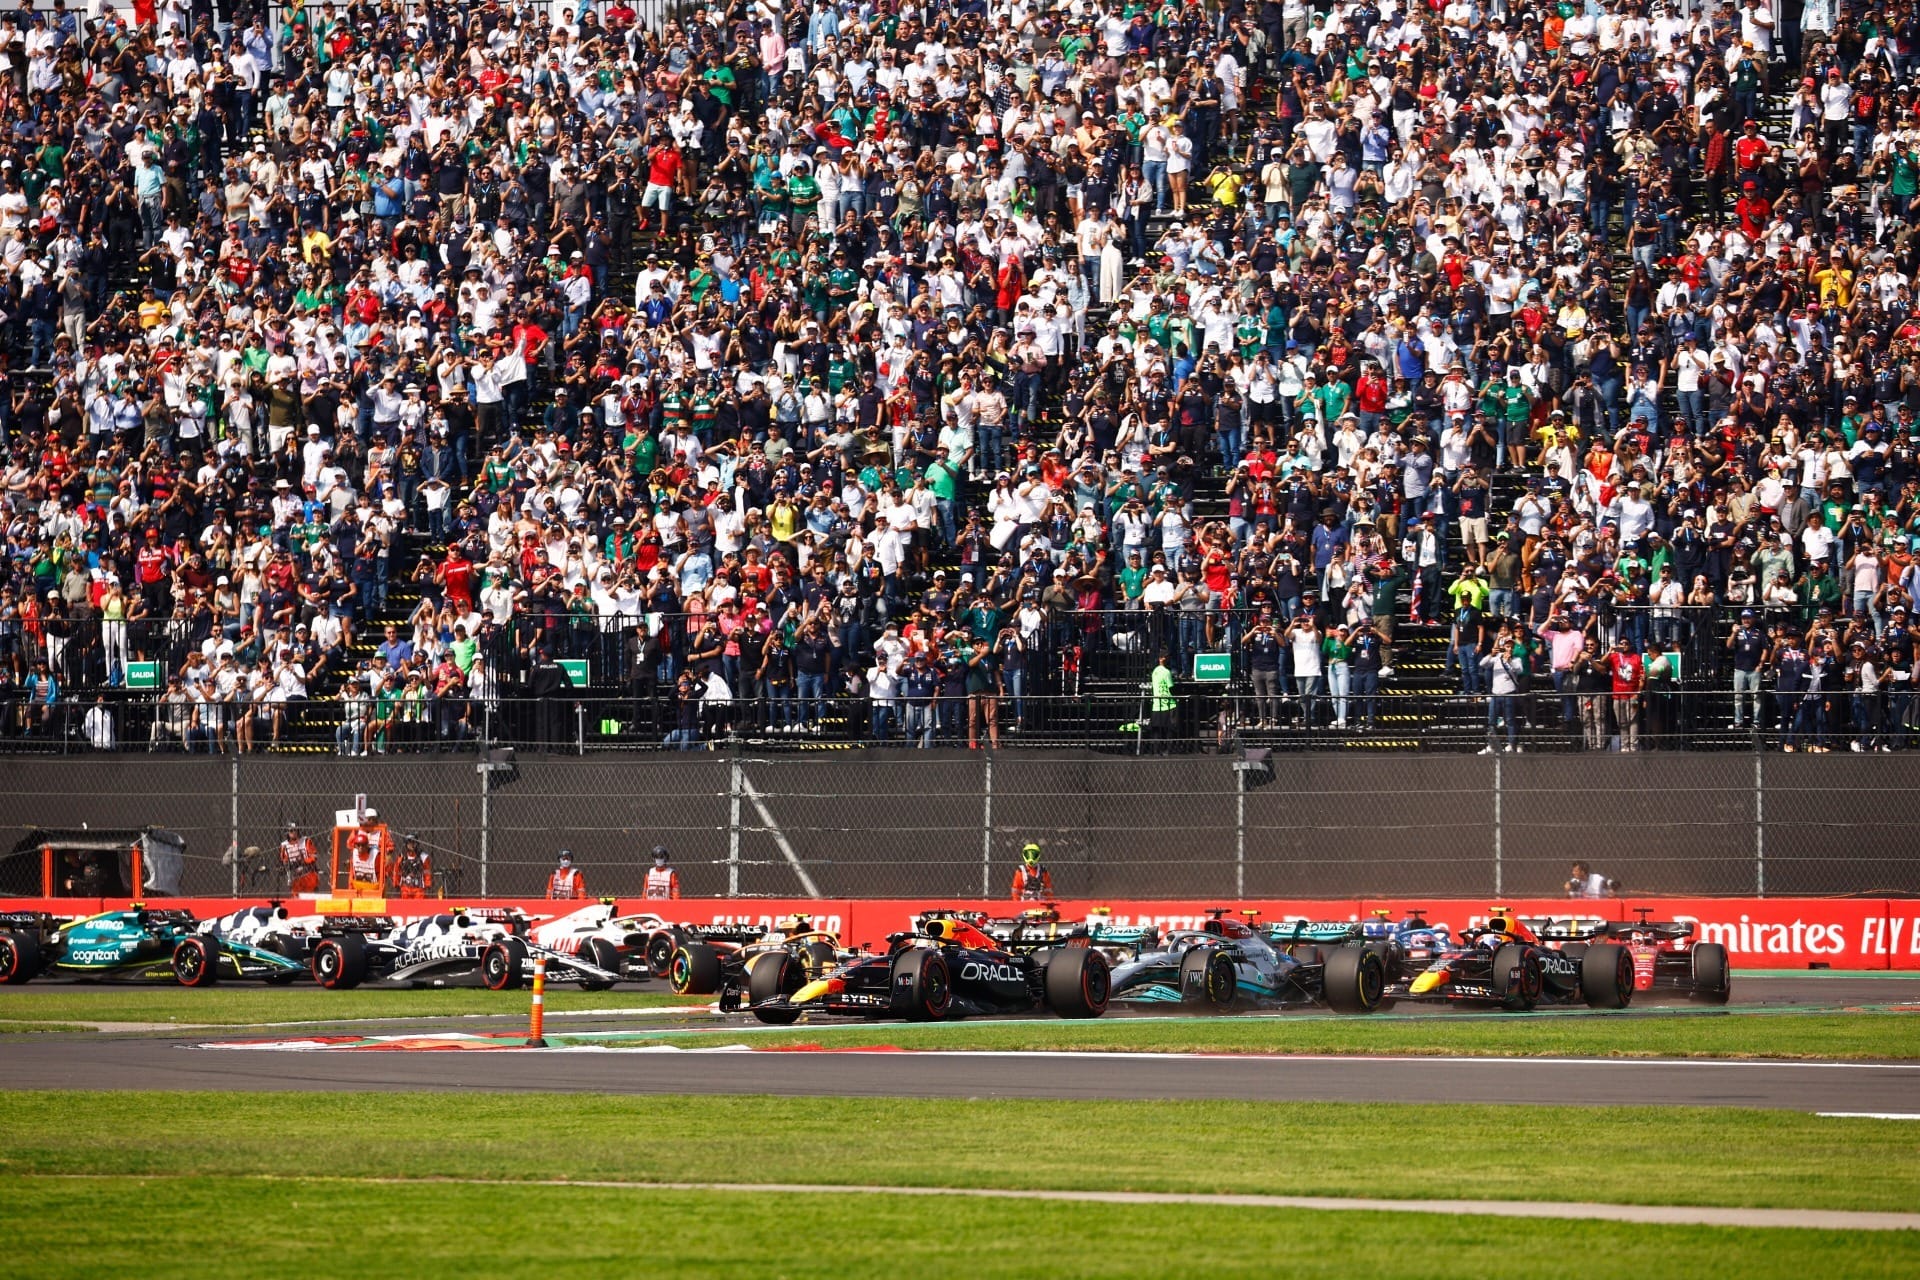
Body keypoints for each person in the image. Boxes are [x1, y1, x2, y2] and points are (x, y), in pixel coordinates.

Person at [280, 822, 319, 895]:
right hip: (295, 876)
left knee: (310, 897)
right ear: (287, 832)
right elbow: (284, 860)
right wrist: (285, 866)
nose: (294, 832)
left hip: (309, 873)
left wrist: (303, 861)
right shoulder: (284, 845)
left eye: (295, 830)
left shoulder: (305, 841)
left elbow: (314, 856)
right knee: (296, 898)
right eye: (291, 830)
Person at [389, 836, 433, 900]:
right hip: (405, 887)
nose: (411, 845)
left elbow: (427, 872)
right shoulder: (402, 856)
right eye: (409, 843)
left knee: (419, 905)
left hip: (418, 888)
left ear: (416, 843)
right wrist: (396, 883)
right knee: (405, 905)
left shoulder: (423, 856)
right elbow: (396, 870)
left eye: (413, 842)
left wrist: (428, 884)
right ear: (406, 844)